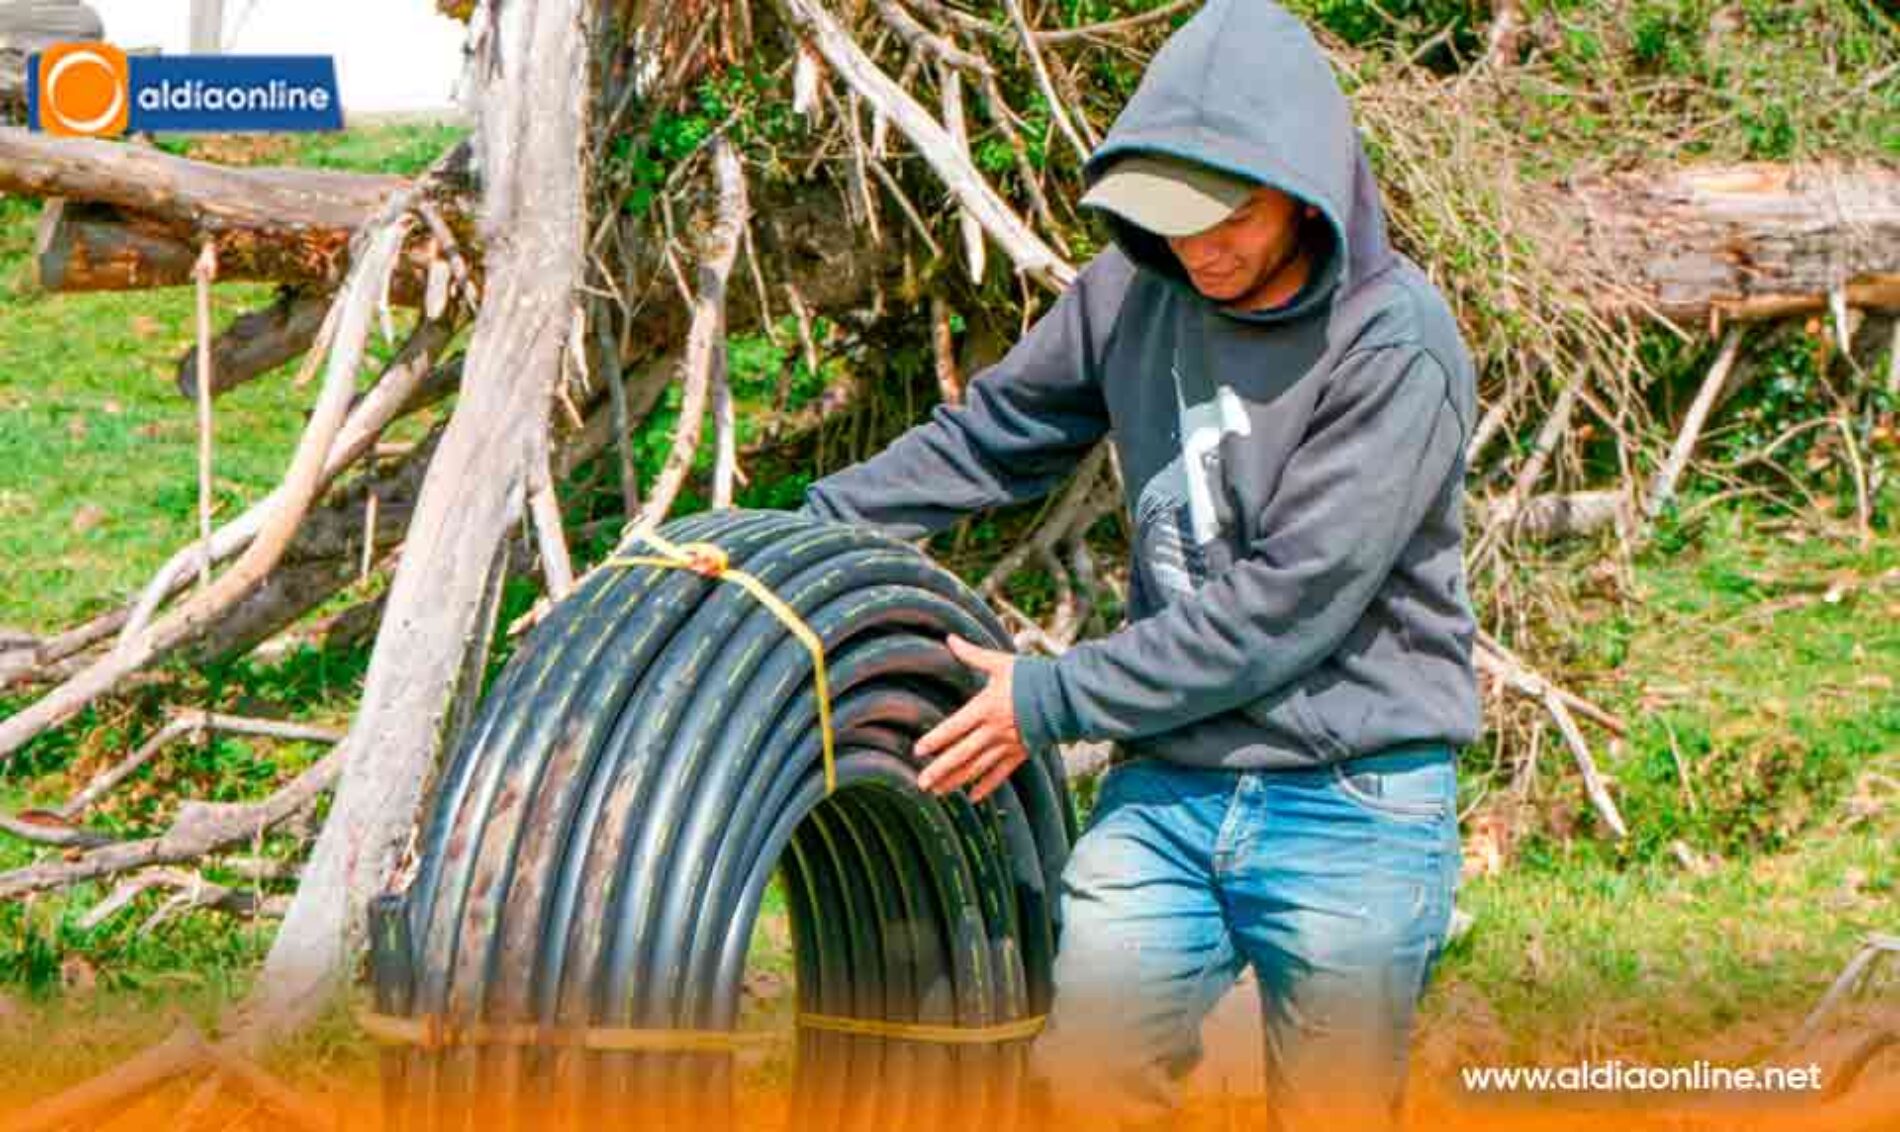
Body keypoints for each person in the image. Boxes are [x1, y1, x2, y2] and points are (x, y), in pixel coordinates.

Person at [797, 1, 1478, 1127]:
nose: (1197, 248)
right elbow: (988, 440)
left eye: (1226, 219)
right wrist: (806, 530)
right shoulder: (1136, 289)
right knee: (1086, 1084)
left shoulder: (1394, 345)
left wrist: (1050, 696)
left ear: (1304, 191)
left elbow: (1283, 608)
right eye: (1168, 219)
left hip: (1354, 796)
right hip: (1169, 784)